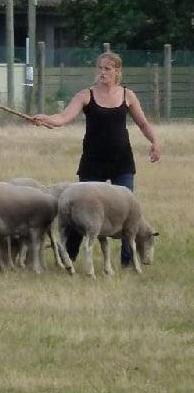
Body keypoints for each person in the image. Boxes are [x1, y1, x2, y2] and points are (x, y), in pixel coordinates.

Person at [31, 52, 161, 267]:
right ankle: (68, 259)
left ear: (117, 71)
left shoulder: (127, 95)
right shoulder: (86, 95)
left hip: (122, 162)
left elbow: (143, 124)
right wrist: (47, 119)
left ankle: (127, 262)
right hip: (93, 162)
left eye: (107, 69)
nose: (102, 72)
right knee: (79, 212)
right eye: (100, 68)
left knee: (129, 213)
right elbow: (63, 118)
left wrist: (155, 142)